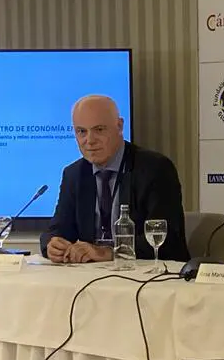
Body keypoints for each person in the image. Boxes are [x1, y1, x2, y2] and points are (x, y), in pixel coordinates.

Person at [40, 95, 190, 263]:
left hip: (148, 272)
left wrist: (110, 252)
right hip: (91, 272)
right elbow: (57, 229)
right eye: (81, 131)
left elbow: (166, 238)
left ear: (119, 126)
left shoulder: (154, 168)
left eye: (99, 130)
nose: (89, 140)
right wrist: (52, 245)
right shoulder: (74, 174)